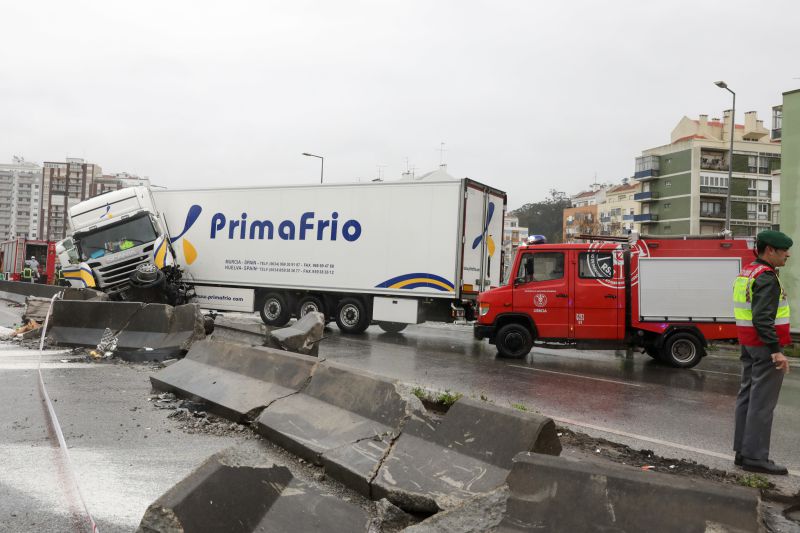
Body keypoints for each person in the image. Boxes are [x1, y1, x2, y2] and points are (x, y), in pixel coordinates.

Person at [732, 229, 792, 475]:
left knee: (747, 397)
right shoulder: (766, 277)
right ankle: (756, 457)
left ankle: (742, 452)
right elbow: (762, 318)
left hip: (749, 344)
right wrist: (776, 350)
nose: (787, 255)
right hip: (764, 347)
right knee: (762, 404)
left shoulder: (748, 271)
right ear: (770, 250)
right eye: (784, 251)